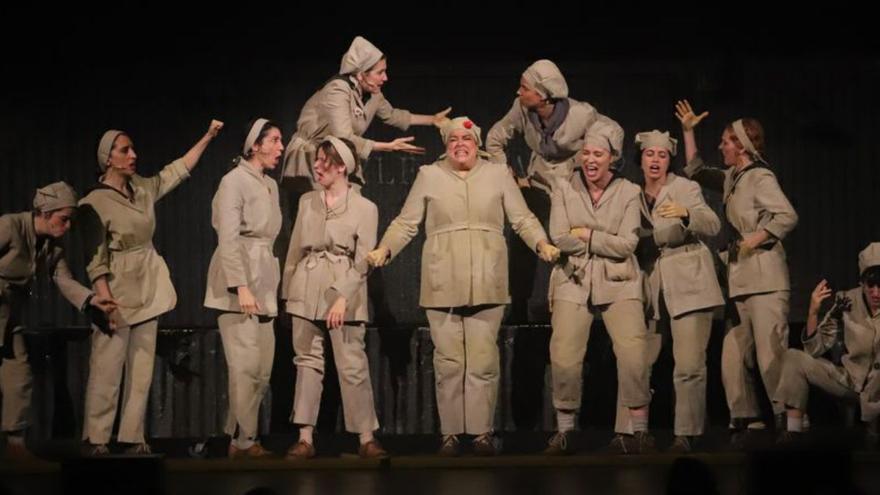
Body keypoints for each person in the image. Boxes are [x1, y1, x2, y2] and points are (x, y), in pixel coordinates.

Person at [367, 117, 559, 456]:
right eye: (453, 138)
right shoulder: (430, 175)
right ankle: (451, 434)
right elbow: (407, 222)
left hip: (488, 276)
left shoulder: (498, 174)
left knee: (484, 361)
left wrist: (541, 243)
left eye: (466, 138)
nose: (460, 143)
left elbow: (522, 218)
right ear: (446, 143)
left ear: (477, 142)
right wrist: (385, 248)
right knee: (449, 362)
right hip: (443, 279)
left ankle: (482, 433)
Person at [79, 119, 223, 455]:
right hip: (116, 288)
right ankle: (97, 438)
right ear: (108, 158)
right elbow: (94, 256)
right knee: (108, 367)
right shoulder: (93, 203)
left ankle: (132, 437)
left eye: (132, 149)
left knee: (142, 368)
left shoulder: (142, 189)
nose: (133, 154)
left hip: (148, 282)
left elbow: (176, 171)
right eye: (124, 150)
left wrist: (208, 137)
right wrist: (103, 296)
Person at [676, 100, 798, 445]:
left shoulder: (760, 177)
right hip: (740, 281)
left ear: (742, 146)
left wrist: (755, 238)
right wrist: (688, 132)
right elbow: (697, 170)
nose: (721, 147)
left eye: (726, 142)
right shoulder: (733, 176)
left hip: (766, 280)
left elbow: (787, 216)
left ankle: (788, 420)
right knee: (732, 354)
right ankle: (748, 419)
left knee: (770, 353)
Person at [544, 117, 655, 455]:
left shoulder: (629, 191)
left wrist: (587, 235)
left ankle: (639, 432)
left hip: (620, 280)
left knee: (634, 355)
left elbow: (627, 246)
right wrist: (594, 239)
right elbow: (560, 236)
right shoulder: (564, 187)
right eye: (586, 153)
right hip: (572, 278)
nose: (590, 160)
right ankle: (565, 432)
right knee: (564, 355)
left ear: (613, 159)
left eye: (598, 155)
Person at [282, 136, 385, 459]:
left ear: (342, 167)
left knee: (352, 363)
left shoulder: (365, 208)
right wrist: (289, 294)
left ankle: (366, 437)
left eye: (325, 161)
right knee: (307, 363)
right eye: (317, 160)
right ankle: (305, 437)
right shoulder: (307, 202)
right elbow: (294, 251)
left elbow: (363, 260)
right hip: (306, 288)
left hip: (345, 290)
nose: (317, 166)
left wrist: (343, 296)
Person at [1, 182, 116, 460]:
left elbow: (62, 279)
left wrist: (91, 299)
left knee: (19, 377)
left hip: (9, 318)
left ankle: (15, 445)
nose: (66, 227)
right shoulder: (9, 226)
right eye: (63, 219)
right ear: (44, 211)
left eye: (70, 221)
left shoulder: (52, 247)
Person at [633, 130, 724, 452]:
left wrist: (687, 213)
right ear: (640, 158)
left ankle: (686, 435)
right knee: (638, 363)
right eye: (649, 154)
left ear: (669, 159)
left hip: (689, 279)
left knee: (688, 365)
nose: (655, 160)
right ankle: (636, 433)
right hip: (652, 285)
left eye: (661, 155)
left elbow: (712, 224)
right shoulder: (632, 194)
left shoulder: (685, 187)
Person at [204, 119, 283, 459]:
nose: (281, 148)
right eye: (275, 141)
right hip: (238, 279)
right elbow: (228, 237)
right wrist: (240, 285)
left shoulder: (270, 185)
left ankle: (235, 437)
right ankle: (245, 442)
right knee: (245, 365)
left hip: (264, 278)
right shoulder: (233, 181)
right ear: (255, 146)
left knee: (262, 369)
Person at [774, 243, 880, 447]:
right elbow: (815, 348)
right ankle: (793, 431)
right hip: (851, 382)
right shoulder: (847, 301)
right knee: (794, 358)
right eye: (870, 285)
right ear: (862, 283)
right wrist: (813, 311)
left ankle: (874, 431)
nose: (876, 293)